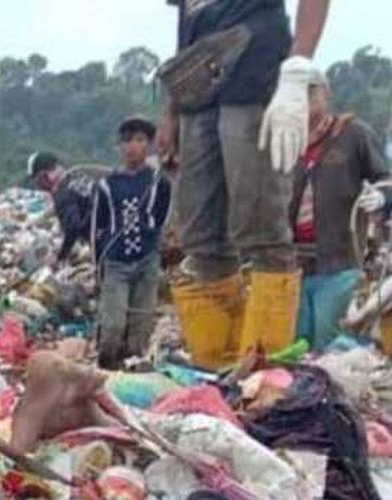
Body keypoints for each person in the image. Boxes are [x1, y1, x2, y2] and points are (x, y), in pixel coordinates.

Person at [157, 0, 332, 369]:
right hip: (199, 84)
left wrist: (298, 69)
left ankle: (264, 372)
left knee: (260, 228)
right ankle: (217, 368)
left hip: (255, 67)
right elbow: (188, 24)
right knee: (200, 239)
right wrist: (171, 111)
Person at [291, 72, 391, 351]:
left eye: (311, 92)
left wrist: (381, 198)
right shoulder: (285, 140)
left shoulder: (353, 135)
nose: (304, 101)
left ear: (326, 93)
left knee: (331, 342)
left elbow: (386, 180)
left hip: (338, 261)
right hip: (291, 265)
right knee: (295, 345)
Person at [92, 116, 172, 369]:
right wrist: (98, 267)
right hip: (115, 263)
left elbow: (160, 218)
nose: (132, 147)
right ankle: (105, 367)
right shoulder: (106, 185)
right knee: (113, 326)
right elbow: (98, 227)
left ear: (148, 145)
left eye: (139, 140)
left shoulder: (158, 181)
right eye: (127, 141)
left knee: (141, 324)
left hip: (147, 261)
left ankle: (132, 373)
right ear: (120, 146)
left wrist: (157, 250)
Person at [27, 151, 110, 263]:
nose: (39, 186)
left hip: (107, 243)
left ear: (45, 176)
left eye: (37, 181)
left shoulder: (62, 196)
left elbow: (73, 226)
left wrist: (62, 256)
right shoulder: (79, 176)